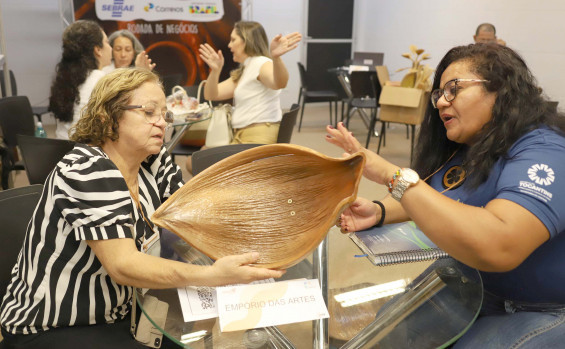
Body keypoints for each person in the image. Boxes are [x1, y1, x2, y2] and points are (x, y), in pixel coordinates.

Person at [0, 68, 285, 348]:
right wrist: (214, 276)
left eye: (164, 114)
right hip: (53, 326)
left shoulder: (152, 159)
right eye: (149, 112)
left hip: (126, 311)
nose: (161, 123)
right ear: (107, 116)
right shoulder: (86, 168)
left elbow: (197, 211)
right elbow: (123, 266)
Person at [326, 43, 565, 347]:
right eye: (438, 94)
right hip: (474, 285)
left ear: (501, 89)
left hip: (544, 307)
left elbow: (501, 244)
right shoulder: (475, 145)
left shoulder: (547, 149)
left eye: (453, 89)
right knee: (390, 330)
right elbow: (434, 194)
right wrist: (379, 211)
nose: (440, 103)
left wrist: (391, 175)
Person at [185, 21, 301, 173]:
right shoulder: (246, 69)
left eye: (233, 40)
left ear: (246, 41)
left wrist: (276, 58)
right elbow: (211, 94)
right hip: (242, 138)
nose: (229, 45)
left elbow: (279, 82)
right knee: (199, 156)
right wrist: (215, 71)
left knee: (194, 162)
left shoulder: (262, 63)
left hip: (256, 140)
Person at [49, 20, 112, 140]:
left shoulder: (65, 78)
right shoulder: (101, 80)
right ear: (98, 50)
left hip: (61, 150)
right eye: (107, 43)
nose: (110, 48)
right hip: (86, 152)